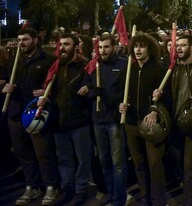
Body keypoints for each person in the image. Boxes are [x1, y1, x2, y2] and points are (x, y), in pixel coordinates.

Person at [1, 28, 60, 206]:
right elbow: (3, 80)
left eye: (25, 39)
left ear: (35, 40)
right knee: (22, 152)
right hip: (15, 113)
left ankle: (51, 185)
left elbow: (57, 85)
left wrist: (46, 92)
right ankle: (32, 185)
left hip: (37, 114)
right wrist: (4, 88)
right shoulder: (13, 60)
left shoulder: (49, 59)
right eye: (19, 40)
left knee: (43, 153)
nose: (21, 43)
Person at [154, 34, 192, 206]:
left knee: (189, 164)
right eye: (177, 45)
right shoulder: (171, 68)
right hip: (174, 122)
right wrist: (159, 95)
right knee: (177, 159)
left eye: (183, 45)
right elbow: (167, 92)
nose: (179, 48)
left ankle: (189, 199)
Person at [40, 33, 92, 206]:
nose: (62, 47)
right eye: (60, 44)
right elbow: (50, 90)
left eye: (67, 44)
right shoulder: (55, 67)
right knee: (64, 158)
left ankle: (81, 190)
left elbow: (94, 87)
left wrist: (89, 88)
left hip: (79, 121)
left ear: (76, 46)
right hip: (59, 122)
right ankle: (67, 188)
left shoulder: (86, 66)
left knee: (83, 159)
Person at [119, 33, 169, 206]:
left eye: (142, 46)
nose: (138, 49)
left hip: (150, 124)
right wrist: (122, 105)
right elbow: (122, 93)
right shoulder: (129, 70)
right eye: (135, 46)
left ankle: (158, 199)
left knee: (154, 163)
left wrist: (155, 109)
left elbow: (168, 97)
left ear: (149, 49)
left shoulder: (158, 69)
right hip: (132, 123)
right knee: (139, 162)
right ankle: (144, 194)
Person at [80, 33, 128, 206]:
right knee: (104, 161)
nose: (103, 50)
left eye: (106, 47)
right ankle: (110, 192)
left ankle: (119, 198)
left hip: (115, 120)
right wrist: (93, 92)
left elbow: (127, 90)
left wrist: (109, 98)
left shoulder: (124, 64)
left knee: (118, 163)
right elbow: (86, 89)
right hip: (98, 120)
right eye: (100, 47)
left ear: (114, 46)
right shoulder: (94, 65)